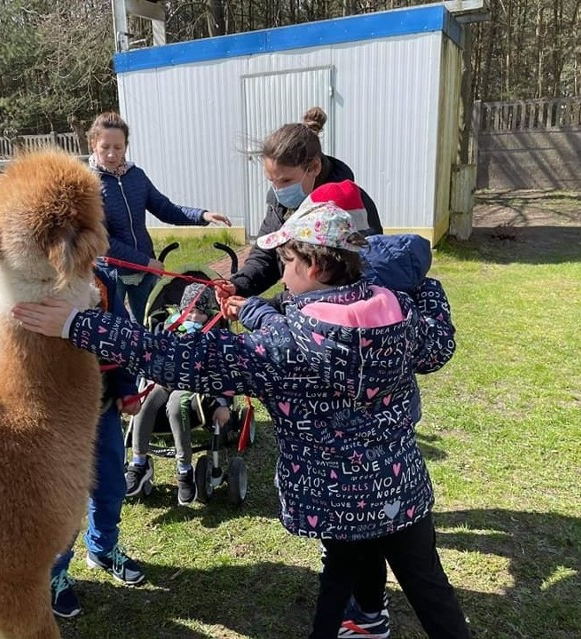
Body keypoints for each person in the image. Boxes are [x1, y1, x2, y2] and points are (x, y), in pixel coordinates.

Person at [12, 204, 471, 639]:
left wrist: (79, 325)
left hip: (337, 499)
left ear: (311, 267)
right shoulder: (398, 314)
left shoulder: (282, 352)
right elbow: (438, 341)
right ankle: (374, 623)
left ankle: (359, 621)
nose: (282, 271)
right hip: (400, 489)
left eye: (286, 260)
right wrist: (422, 283)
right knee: (428, 584)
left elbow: (176, 356)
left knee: (336, 586)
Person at [0, 264, 147, 619]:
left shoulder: (103, 281)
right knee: (61, 500)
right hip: (51, 422)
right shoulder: (25, 283)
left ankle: (103, 547)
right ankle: (54, 572)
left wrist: (127, 389)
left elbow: (122, 337)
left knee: (112, 483)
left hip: (100, 408)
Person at [87, 111, 231, 323]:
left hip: (145, 273)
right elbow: (103, 241)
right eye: (105, 147)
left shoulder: (137, 176)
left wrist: (202, 215)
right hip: (111, 273)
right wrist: (145, 261)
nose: (111, 154)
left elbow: (165, 208)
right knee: (116, 330)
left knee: (149, 325)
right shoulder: (88, 184)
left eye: (118, 147)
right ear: (93, 144)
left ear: (126, 146)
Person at [229, 107, 383, 304]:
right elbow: (264, 257)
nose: (278, 190)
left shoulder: (350, 206)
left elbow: (337, 281)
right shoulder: (279, 204)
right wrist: (238, 285)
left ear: (314, 168)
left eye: (285, 181)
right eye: (271, 181)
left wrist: (272, 305)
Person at [124, 282, 232, 506]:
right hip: (162, 380)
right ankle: (139, 462)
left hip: (191, 386)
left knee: (176, 405)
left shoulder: (213, 334)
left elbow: (224, 371)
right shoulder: (165, 327)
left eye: (200, 312)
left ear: (208, 313)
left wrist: (223, 403)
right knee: (145, 402)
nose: (193, 317)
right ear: (181, 309)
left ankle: (185, 469)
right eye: (190, 311)